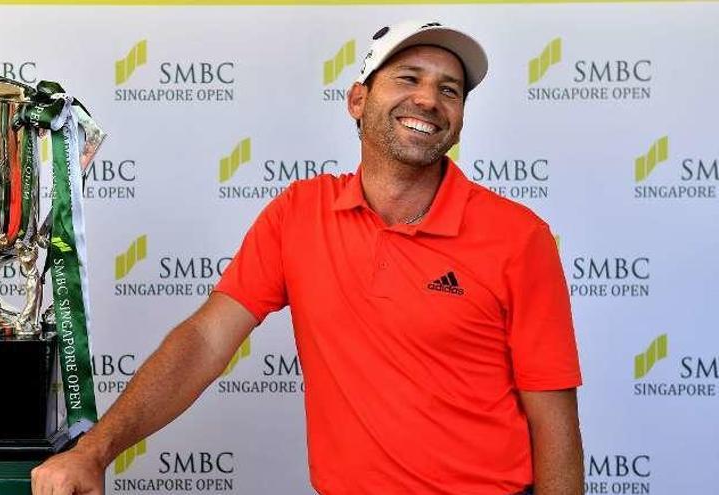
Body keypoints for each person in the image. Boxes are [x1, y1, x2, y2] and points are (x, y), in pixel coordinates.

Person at [31, 20, 583, 495]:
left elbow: (553, 421)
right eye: (408, 79)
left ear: (459, 119)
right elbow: (205, 340)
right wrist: (95, 450)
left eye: (450, 90)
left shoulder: (519, 237)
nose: (429, 101)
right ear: (358, 100)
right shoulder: (299, 214)